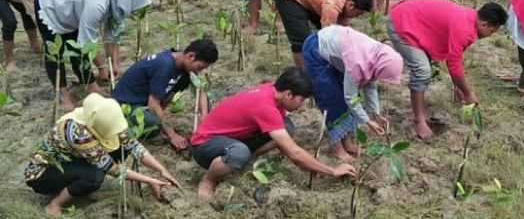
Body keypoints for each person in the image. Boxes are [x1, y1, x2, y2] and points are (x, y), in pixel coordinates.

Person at [191, 67, 356, 200]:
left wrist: (310, 165)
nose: (303, 105)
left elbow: (288, 149)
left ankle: (241, 158)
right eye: (301, 100)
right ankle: (208, 180)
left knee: (286, 127)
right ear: (288, 94)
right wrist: (332, 170)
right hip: (204, 145)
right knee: (240, 152)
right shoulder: (265, 107)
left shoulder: (272, 91)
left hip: (232, 137)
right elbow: (294, 152)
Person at [25, 93, 180, 216]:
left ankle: (81, 188)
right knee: (94, 176)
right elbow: (112, 169)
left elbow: (132, 145)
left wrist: (161, 170)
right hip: (43, 173)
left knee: (121, 148)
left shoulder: (106, 115)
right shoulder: (78, 132)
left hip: (71, 161)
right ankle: (54, 205)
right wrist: (150, 180)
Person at [386, 0, 507, 139]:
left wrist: (459, 88)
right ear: (485, 24)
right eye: (492, 32)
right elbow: (454, 65)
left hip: (413, 19)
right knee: (422, 71)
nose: (489, 36)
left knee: (420, 65)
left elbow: (455, 58)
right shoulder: (464, 29)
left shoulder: (470, 19)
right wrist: (468, 94)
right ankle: (419, 120)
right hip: (402, 22)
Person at [35, 0, 151, 110]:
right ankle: (63, 94)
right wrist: (102, 67)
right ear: (127, 0)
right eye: (135, 7)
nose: (135, 12)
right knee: (55, 52)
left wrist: (114, 63)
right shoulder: (97, 3)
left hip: (71, 5)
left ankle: (90, 86)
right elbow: (86, 44)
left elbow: (115, 33)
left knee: (76, 49)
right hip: (51, 0)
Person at [303, 25, 403, 162]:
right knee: (332, 99)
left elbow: (370, 85)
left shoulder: (375, 58)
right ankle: (337, 148)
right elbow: (351, 98)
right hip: (316, 49)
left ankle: (348, 144)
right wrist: (367, 121)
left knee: (344, 94)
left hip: (339, 53)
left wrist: (376, 114)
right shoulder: (358, 63)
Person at [111, 39, 219, 150]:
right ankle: (119, 128)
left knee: (159, 116)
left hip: (143, 103)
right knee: (153, 126)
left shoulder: (182, 64)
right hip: (124, 106)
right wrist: (172, 134)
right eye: (200, 67)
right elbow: (153, 105)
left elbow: (200, 89)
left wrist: (204, 118)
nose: (199, 72)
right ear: (191, 56)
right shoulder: (165, 65)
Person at [274, 0, 373, 68]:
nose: (357, 17)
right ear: (351, 5)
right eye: (358, 14)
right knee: (301, 40)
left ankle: (312, 65)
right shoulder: (332, 5)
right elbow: (328, 38)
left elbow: (342, 33)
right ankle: (303, 74)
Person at [0, 0, 49, 71]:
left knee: (26, 11)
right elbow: (38, 20)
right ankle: (9, 60)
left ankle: (34, 44)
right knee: (10, 22)